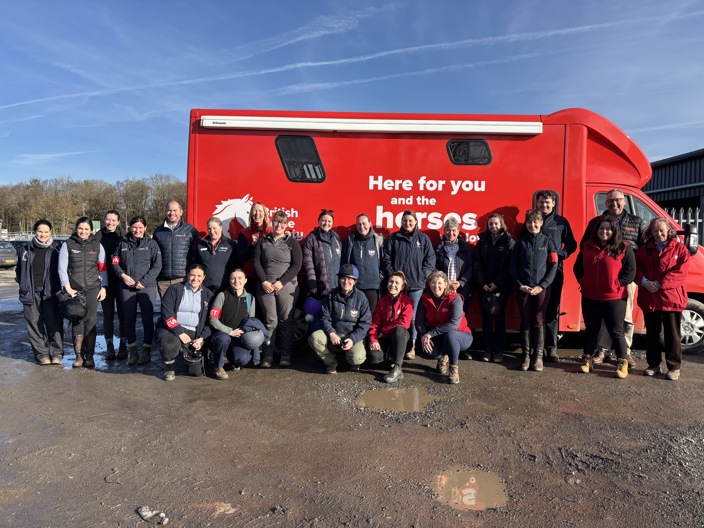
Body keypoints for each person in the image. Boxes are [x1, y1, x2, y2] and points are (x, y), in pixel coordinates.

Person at [581, 189, 646, 369]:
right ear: (606, 203)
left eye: (618, 200)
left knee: (625, 318)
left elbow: (644, 249)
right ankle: (602, 349)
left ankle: (624, 352)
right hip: (599, 279)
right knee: (601, 318)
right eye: (610, 201)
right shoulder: (596, 222)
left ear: (624, 201)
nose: (614, 204)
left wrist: (627, 277)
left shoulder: (637, 222)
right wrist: (585, 278)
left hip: (624, 279)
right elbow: (584, 246)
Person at [574, 216, 636, 378]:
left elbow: (630, 272)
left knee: (616, 331)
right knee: (591, 330)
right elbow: (577, 268)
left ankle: (622, 361)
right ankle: (587, 359)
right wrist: (584, 282)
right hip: (590, 296)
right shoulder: (587, 246)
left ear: (614, 231)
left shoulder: (624, 248)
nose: (604, 231)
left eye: (608, 229)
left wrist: (617, 284)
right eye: (602, 228)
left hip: (614, 298)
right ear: (597, 230)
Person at [635, 217, 690, 381]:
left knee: (672, 335)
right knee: (652, 334)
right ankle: (653, 364)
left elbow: (681, 272)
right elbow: (635, 269)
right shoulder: (643, 250)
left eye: (662, 230)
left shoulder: (680, 249)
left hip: (670, 298)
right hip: (650, 297)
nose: (659, 234)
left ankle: (674, 367)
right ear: (650, 232)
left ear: (669, 231)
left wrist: (659, 284)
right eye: (655, 231)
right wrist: (644, 282)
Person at [382, 210, 436, 360]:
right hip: (397, 287)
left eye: (410, 220)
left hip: (416, 285)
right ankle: (395, 344)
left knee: (413, 317)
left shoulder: (423, 239)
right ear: (401, 222)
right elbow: (386, 258)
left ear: (416, 222)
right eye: (405, 220)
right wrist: (393, 276)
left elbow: (430, 260)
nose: (407, 223)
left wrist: (423, 275)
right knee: (394, 315)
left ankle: (411, 345)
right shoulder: (393, 238)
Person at [253, 209, 302, 368]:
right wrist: (264, 281)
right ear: (272, 222)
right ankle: (268, 355)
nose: (278, 225)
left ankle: (285, 355)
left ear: (286, 225)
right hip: (266, 287)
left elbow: (297, 265)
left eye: (282, 223)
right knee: (270, 321)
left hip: (286, 287)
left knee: (286, 321)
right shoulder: (263, 241)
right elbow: (256, 263)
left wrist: (282, 282)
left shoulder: (292, 242)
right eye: (276, 221)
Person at [510, 209, 558, 372]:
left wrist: (542, 285)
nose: (532, 225)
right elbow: (513, 266)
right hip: (523, 288)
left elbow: (553, 266)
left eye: (535, 222)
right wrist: (519, 285)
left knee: (538, 321)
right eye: (529, 222)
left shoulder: (549, 243)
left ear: (541, 223)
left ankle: (538, 358)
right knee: (525, 321)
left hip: (541, 289)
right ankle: (525, 357)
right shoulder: (520, 243)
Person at [112, 215, 162, 366]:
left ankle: (146, 352)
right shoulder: (122, 243)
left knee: (147, 319)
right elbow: (115, 262)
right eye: (134, 227)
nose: (137, 230)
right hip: (127, 287)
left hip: (146, 287)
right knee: (128, 320)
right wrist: (122, 275)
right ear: (130, 228)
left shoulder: (151, 244)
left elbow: (157, 266)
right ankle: (132, 352)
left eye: (140, 227)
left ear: (145, 228)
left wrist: (143, 281)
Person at [58, 217, 108, 368]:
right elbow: (62, 268)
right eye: (80, 228)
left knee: (91, 320)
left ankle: (90, 356)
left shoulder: (98, 245)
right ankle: (79, 356)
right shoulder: (68, 244)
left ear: (91, 230)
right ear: (76, 229)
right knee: (77, 320)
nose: (83, 231)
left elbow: (102, 268)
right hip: (75, 290)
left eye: (86, 229)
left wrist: (104, 287)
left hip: (93, 288)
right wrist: (67, 287)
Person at [535, 190, 577, 362]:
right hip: (535, 273)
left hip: (554, 272)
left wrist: (562, 255)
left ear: (553, 204)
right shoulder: (532, 220)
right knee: (537, 310)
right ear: (537, 203)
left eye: (547, 202)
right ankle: (536, 348)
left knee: (552, 310)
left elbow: (572, 244)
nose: (544, 205)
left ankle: (551, 349)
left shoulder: (561, 222)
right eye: (541, 202)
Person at [15, 219, 63, 365]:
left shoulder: (57, 249)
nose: (43, 234)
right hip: (30, 292)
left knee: (53, 323)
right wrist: (22, 283)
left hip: (51, 293)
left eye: (46, 232)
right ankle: (41, 354)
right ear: (35, 231)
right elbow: (19, 270)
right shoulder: (25, 249)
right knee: (34, 324)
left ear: (51, 232)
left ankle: (56, 353)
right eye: (40, 231)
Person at [309, 264, 372, 374]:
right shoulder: (331, 295)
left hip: (352, 335)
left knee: (357, 358)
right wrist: (331, 333)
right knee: (314, 338)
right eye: (343, 278)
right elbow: (324, 317)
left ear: (355, 281)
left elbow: (365, 323)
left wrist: (353, 339)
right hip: (334, 334)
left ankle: (351, 360)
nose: (346, 282)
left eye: (350, 279)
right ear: (339, 279)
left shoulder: (361, 298)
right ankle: (331, 362)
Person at [156, 264, 214, 381]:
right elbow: (166, 314)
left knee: (196, 372)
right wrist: (180, 333)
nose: (195, 278)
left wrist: (201, 338)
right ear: (187, 275)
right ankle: (170, 365)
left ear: (204, 277)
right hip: (173, 329)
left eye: (199, 276)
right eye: (192, 275)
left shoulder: (209, 295)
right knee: (169, 344)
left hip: (194, 332)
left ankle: (182, 354)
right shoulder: (174, 289)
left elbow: (211, 321)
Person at [416, 270, 473, 385]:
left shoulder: (455, 298)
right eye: (433, 283)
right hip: (439, 334)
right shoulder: (425, 298)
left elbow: (454, 324)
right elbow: (419, 321)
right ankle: (443, 356)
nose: (436, 286)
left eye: (439, 283)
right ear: (429, 284)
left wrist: (430, 333)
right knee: (427, 352)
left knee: (451, 335)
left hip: (461, 335)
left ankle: (454, 367)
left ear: (446, 284)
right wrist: (423, 336)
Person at [472, 213, 515, 363]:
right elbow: (477, 264)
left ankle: (498, 351)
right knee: (486, 320)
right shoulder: (482, 241)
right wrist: (482, 283)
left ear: (501, 224)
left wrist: (497, 283)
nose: (493, 226)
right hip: (483, 287)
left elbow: (510, 266)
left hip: (501, 287)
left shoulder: (509, 242)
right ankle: (487, 350)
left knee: (499, 319)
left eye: (496, 223)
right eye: (491, 224)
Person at [209, 269, 267, 378]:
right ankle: (218, 366)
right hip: (222, 334)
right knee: (223, 339)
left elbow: (251, 321)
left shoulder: (250, 298)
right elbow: (213, 319)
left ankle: (233, 360)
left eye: (240, 278)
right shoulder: (222, 295)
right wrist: (230, 331)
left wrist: (243, 332)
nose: (236, 281)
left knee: (242, 359)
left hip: (239, 337)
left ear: (245, 280)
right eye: (233, 278)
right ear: (229, 280)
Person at [368, 271, 414, 383]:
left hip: (402, 339)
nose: (393, 285)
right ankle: (390, 359)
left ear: (402, 287)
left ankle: (398, 367)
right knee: (373, 357)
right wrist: (373, 340)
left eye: (397, 283)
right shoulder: (381, 302)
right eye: (391, 282)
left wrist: (385, 330)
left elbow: (404, 323)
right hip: (386, 339)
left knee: (399, 330)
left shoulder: (408, 301)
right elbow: (374, 324)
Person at [95, 209, 126, 360]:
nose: (110, 223)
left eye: (114, 220)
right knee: (108, 315)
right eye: (108, 219)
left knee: (123, 315)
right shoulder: (98, 236)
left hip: (121, 281)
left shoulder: (124, 235)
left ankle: (123, 346)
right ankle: (109, 347)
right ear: (104, 220)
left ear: (118, 222)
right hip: (104, 281)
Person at [152, 200, 200, 298]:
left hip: (183, 279)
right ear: (165, 212)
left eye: (175, 210)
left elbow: (197, 254)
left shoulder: (190, 230)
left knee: (182, 306)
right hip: (163, 280)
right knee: (166, 306)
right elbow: (154, 255)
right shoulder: (158, 231)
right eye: (169, 210)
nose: (172, 213)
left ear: (181, 212)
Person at [341, 213, 384, 313]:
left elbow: (385, 261)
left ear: (370, 224)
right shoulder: (350, 241)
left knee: (371, 316)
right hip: (355, 286)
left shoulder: (378, 240)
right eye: (359, 224)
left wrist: (379, 276)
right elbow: (344, 262)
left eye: (364, 223)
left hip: (373, 286)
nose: (362, 227)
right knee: (354, 315)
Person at [434, 217, 472, 312]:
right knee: (443, 315)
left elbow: (470, 267)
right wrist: (444, 281)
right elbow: (433, 267)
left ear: (458, 231)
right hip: (442, 288)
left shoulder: (465, 247)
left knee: (461, 316)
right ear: (444, 231)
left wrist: (461, 282)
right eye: (448, 230)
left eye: (454, 230)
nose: (451, 233)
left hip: (461, 289)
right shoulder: (438, 248)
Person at [235, 201, 272, 298]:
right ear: (251, 214)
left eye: (260, 211)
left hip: (268, 277)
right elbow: (240, 257)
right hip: (250, 277)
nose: (257, 213)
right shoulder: (244, 233)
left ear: (265, 213)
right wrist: (252, 244)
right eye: (254, 211)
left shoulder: (271, 232)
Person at [193, 217, 238, 293]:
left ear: (221, 227)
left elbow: (236, 265)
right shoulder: (200, 245)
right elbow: (195, 265)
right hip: (204, 289)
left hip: (224, 289)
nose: (212, 231)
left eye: (214, 228)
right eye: (209, 229)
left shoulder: (231, 245)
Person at [302, 209, 341, 298]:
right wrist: (312, 284)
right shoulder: (312, 238)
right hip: (320, 288)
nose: (326, 223)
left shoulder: (336, 237)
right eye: (323, 220)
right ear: (319, 221)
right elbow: (308, 264)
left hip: (336, 287)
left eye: (329, 221)